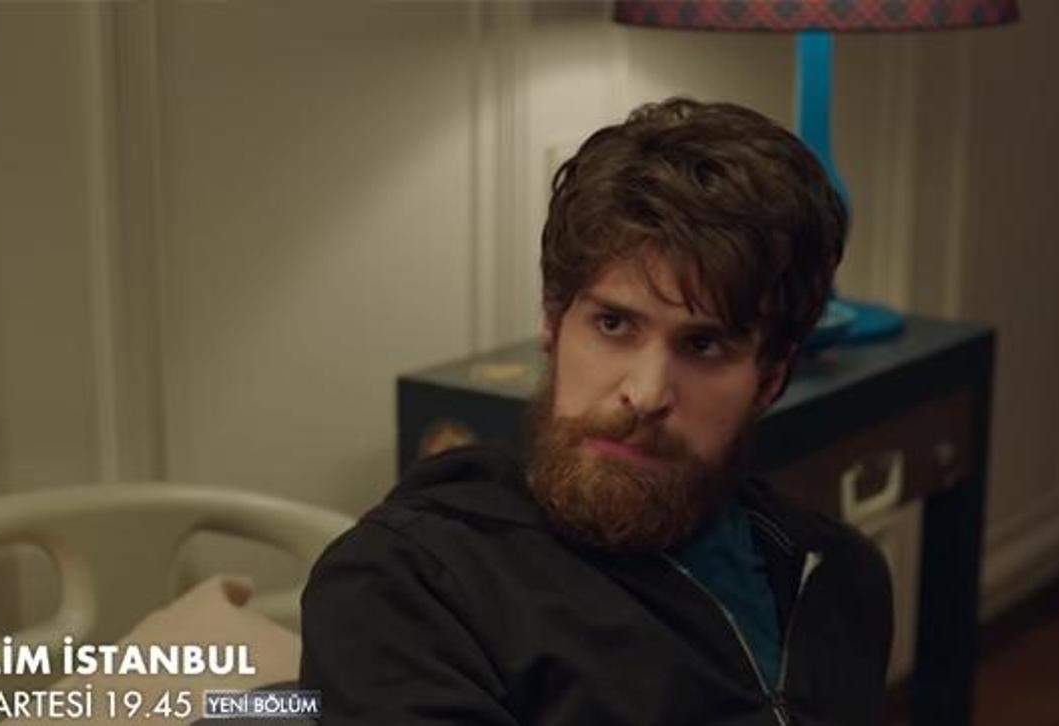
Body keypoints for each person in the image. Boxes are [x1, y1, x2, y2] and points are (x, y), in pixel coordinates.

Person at [300, 98, 893, 726]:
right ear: (553, 323)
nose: (646, 393)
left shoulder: (839, 578)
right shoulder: (405, 586)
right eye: (613, 324)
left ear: (770, 378)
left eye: (703, 346)